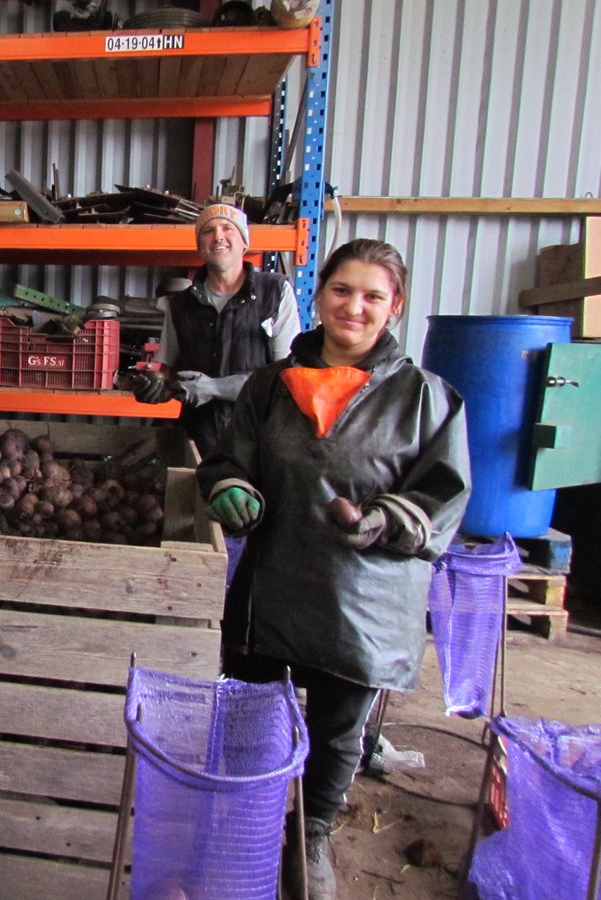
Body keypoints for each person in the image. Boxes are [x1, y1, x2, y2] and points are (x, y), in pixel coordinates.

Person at [195, 239, 471, 899]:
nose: (355, 306)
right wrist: (231, 488)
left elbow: (446, 496)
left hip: (365, 596)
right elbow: (229, 458)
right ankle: (247, 815)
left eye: (374, 296)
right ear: (319, 295)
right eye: (343, 290)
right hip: (274, 580)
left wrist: (387, 521)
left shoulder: (426, 398)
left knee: (339, 726)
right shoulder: (269, 385)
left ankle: (313, 829)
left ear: (395, 306)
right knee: (248, 705)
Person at [131, 202, 302, 458]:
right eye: (208, 231)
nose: (218, 236)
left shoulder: (275, 293)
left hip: (260, 443)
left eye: (227, 228)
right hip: (198, 442)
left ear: (244, 242)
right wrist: (152, 389)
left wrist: (215, 387)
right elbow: (166, 370)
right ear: (200, 245)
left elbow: (287, 378)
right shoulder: (180, 305)